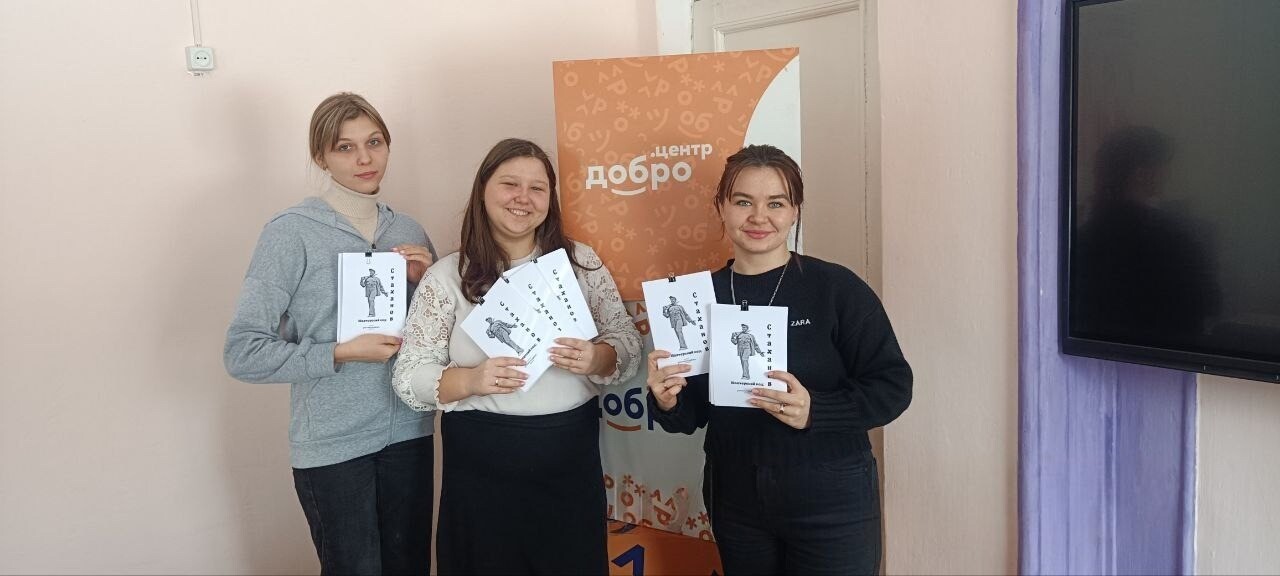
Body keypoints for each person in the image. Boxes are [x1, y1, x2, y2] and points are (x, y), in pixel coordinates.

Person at [646, 144, 912, 575]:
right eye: (743, 202)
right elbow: (691, 413)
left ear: (794, 211)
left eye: (775, 203)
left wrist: (815, 410)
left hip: (832, 498)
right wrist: (667, 400)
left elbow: (893, 386)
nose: (758, 217)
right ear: (721, 207)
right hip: (736, 501)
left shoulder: (835, 288)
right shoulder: (698, 296)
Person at [392, 138, 641, 575]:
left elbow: (627, 344)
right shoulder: (447, 276)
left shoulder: (580, 263)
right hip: (480, 470)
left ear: (550, 199)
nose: (523, 198)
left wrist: (596, 358)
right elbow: (407, 375)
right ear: (483, 191)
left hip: (568, 460)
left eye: (537, 188)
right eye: (510, 184)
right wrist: (471, 380)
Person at [224, 92, 438, 575]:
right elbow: (243, 351)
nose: (364, 158)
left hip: (410, 434)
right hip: (333, 446)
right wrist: (339, 352)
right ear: (321, 157)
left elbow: (441, 340)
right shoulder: (290, 232)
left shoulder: (408, 230)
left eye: (374, 142)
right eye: (345, 147)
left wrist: (429, 282)